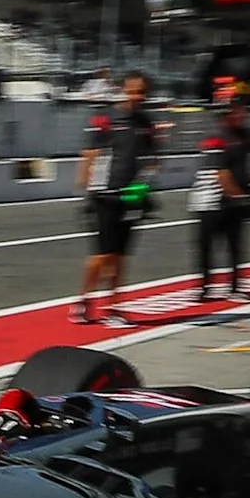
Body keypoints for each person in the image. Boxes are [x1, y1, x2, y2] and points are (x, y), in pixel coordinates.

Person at [75, 70, 161, 327]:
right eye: (133, 90)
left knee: (120, 257)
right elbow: (89, 153)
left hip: (130, 195)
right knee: (102, 256)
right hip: (104, 195)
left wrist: (143, 190)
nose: (138, 96)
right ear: (124, 90)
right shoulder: (106, 118)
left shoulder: (146, 123)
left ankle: (113, 306)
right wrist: (87, 187)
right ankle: (83, 302)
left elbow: (152, 161)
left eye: (142, 92)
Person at [191, 95, 250, 301]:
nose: (241, 115)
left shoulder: (245, 135)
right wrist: (239, 195)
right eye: (236, 111)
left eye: (242, 111)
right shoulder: (216, 137)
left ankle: (236, 286)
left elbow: (244, 168)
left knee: (236, 245)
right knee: (205, 245)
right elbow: (221, 172)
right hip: (211, 198)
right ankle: (204, 286)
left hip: (235, 199)